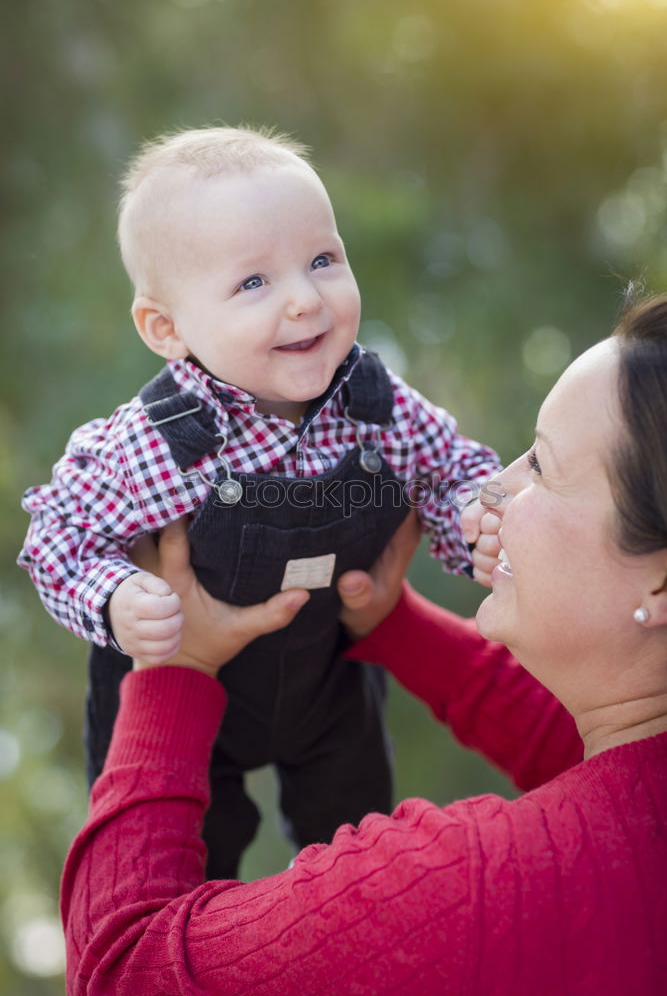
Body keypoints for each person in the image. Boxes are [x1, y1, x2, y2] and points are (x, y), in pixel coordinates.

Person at [60, 295, 667, 994]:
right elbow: (575, 758)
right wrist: (389, 623)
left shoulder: (468, 890)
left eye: (541, 466)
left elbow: (124, 970)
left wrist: (173, 672)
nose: (494, 486)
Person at [18, 126, 500, 878]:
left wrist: (476, 523)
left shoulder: (378, 406)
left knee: (368, 858)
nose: (305, 300)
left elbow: (449, 473)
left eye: (322, 260)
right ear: (166, 329)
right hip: (180, 692)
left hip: (326, 676)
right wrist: (112, 597)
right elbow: (57, 538)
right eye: (253, 283)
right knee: (177, 871)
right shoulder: (152, 444)